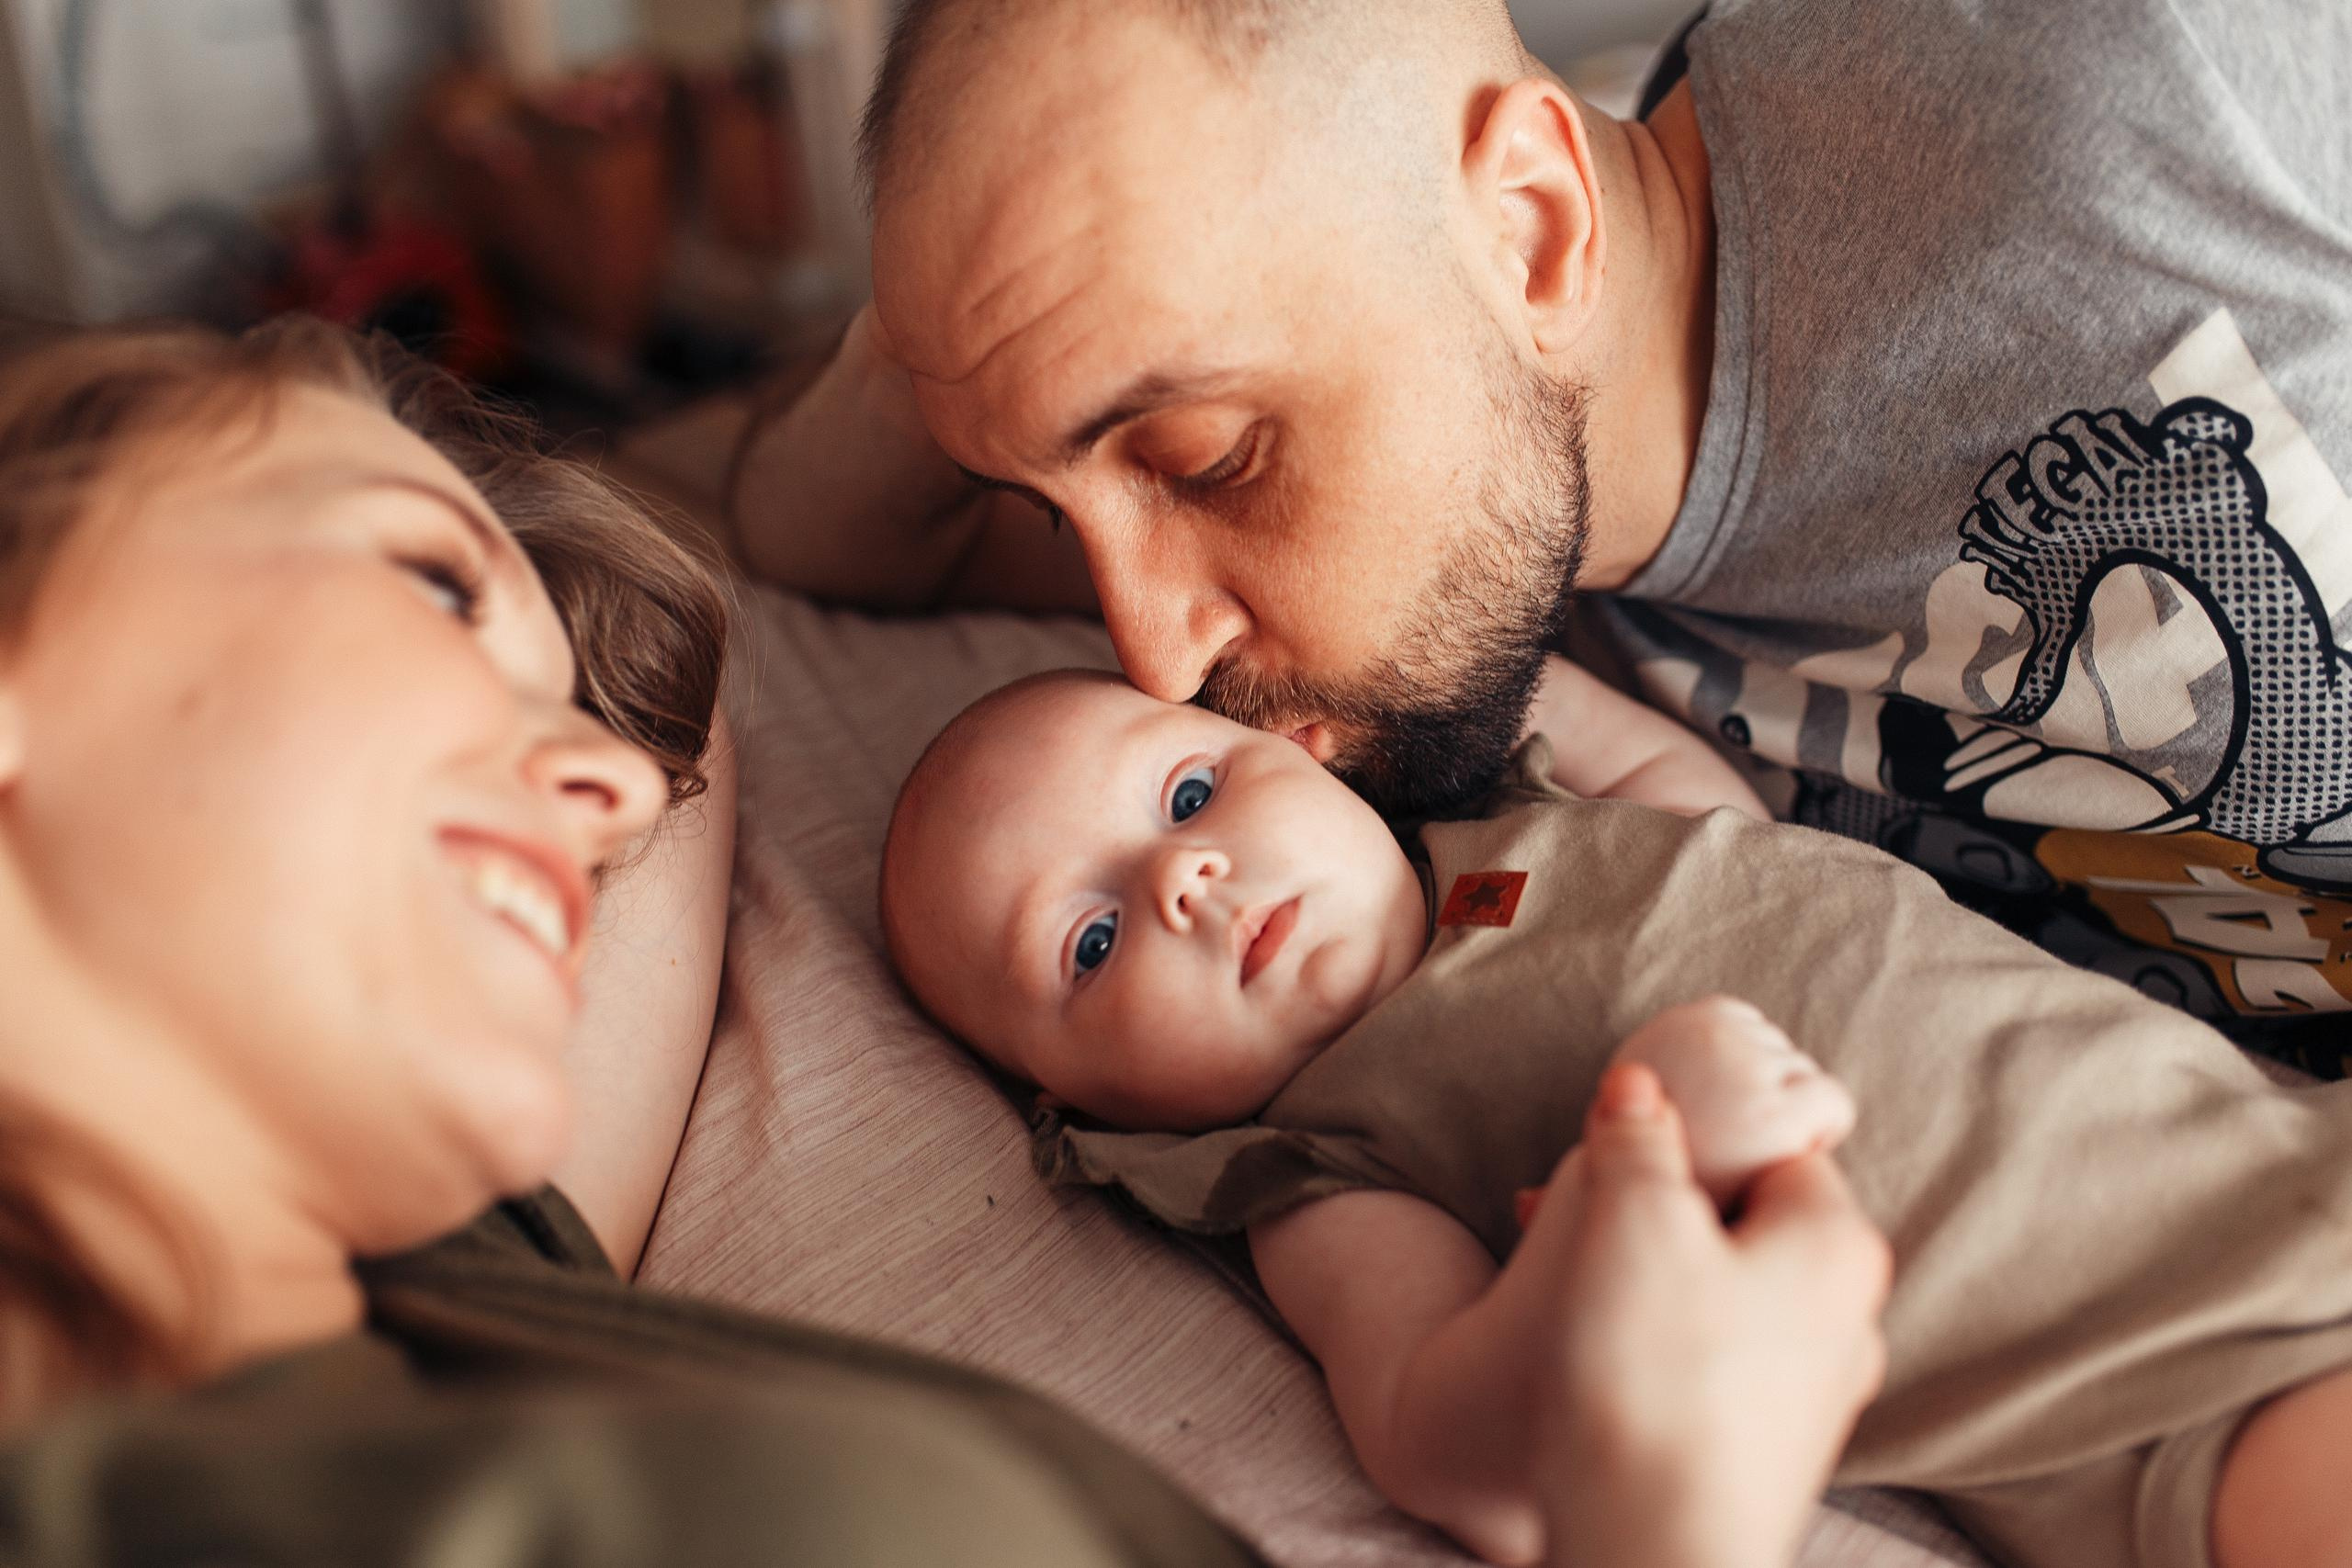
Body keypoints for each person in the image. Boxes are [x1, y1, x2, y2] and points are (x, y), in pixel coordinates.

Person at [0, 318, 1887, 1568]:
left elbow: (686, 697)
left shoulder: (447, 1278)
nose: (600, 788)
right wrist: (1672, 1524)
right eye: (425, 580)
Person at [735, 0, 2352, 1070]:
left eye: (1208, 459)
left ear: (1531, 232)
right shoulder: (1430, 598)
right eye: (1050, 505)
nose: (1154, 657)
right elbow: (811, 536)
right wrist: (989, 292)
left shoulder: (2135, 88)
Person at [882, 667, 2352, 1568]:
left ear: (1305, 744)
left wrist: (1369, 670)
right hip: (2160, 1385)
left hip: (2279, 1148)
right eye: (1089, 943)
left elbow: (1694, 813)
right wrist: (1621, 1176)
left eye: (1191, 789)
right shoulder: (1320, 1163)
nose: (1182, 881)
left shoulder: (1518, 818)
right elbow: (1442, 1444)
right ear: (1080, 1103)